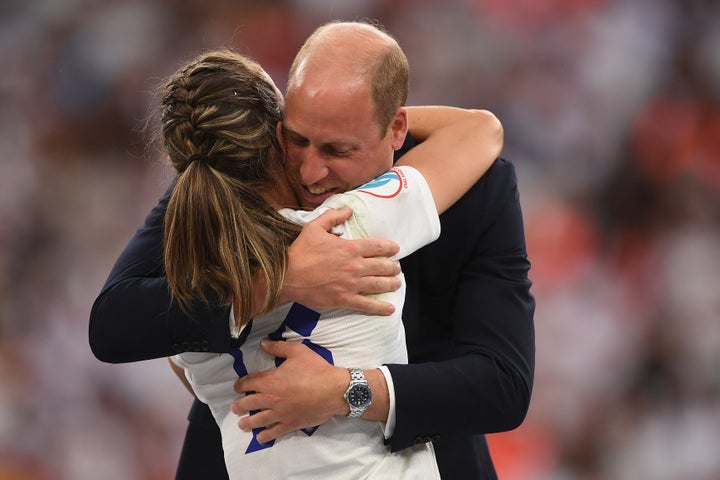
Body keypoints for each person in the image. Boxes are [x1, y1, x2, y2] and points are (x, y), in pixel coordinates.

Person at [89, 20, 535, 480]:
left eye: (338, 147)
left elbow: (503, 385)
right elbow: (114, 322)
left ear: (396, 128)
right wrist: (280, 280)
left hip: (425, 451)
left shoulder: (476, 185)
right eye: (296, 140)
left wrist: (348, 390)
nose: (309, 172)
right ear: (278, 121)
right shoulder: (227, 174)